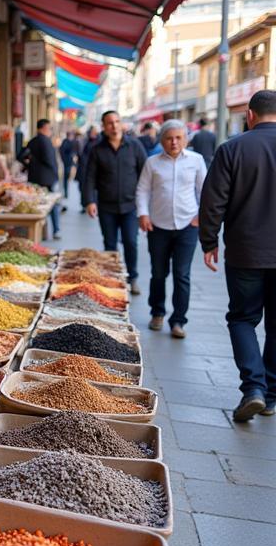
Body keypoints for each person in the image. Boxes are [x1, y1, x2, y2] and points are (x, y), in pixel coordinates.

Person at [198, 89, 276, 422]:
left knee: (243, 318)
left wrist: (208, 241)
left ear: (250, 115)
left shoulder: (232, 148)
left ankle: (253, 388)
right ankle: (271, 396)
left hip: (246, 251)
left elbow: (212, 200)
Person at [135, 120, 206, 338]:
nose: (174, 142)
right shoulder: (152, 162)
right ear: (162, 140)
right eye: (169, 138)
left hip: (187, 226)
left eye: (178, 138)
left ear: (185, 139)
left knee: (181, 274)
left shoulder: (196, 160)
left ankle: (178, 321)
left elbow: (205, 190)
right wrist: (143, 214)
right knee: (158, 273)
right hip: (158, 226)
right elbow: (143, 190)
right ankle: (157, 312)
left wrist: (200, 216)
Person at [82, 110, 147, 293]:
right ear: (104, 126)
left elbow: (146, 175)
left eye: (117, 121)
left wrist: (146, 204)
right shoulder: (97, 149)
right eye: (110, 123)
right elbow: (89, 178)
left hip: (130, 206)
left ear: (122, 123)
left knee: (130, 242)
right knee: (110, 245)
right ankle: (112, 279)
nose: (114, 125)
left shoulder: (135, 146)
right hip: (106, 206)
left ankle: (132, 278)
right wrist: (89, 201)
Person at [20, 119, 61, 239]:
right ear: (43, 128)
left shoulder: (32, 141)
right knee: (52, 203)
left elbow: (21, 156)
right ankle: (56, 229)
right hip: (47, 178)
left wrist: (30, 165)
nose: (51, 131)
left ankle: (42, 231)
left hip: (34, 176)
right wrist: (55, 174)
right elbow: (50, 160)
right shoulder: (46, 142)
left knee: (38, 204)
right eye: (50, 128)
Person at [59, 130, 77, 202]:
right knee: (66, 179)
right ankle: (66, 192)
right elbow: (63, 152)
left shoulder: (71, 142)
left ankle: (66, 192)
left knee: (67, 178)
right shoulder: (66, 142)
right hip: (67, 163)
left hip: (70, 163)